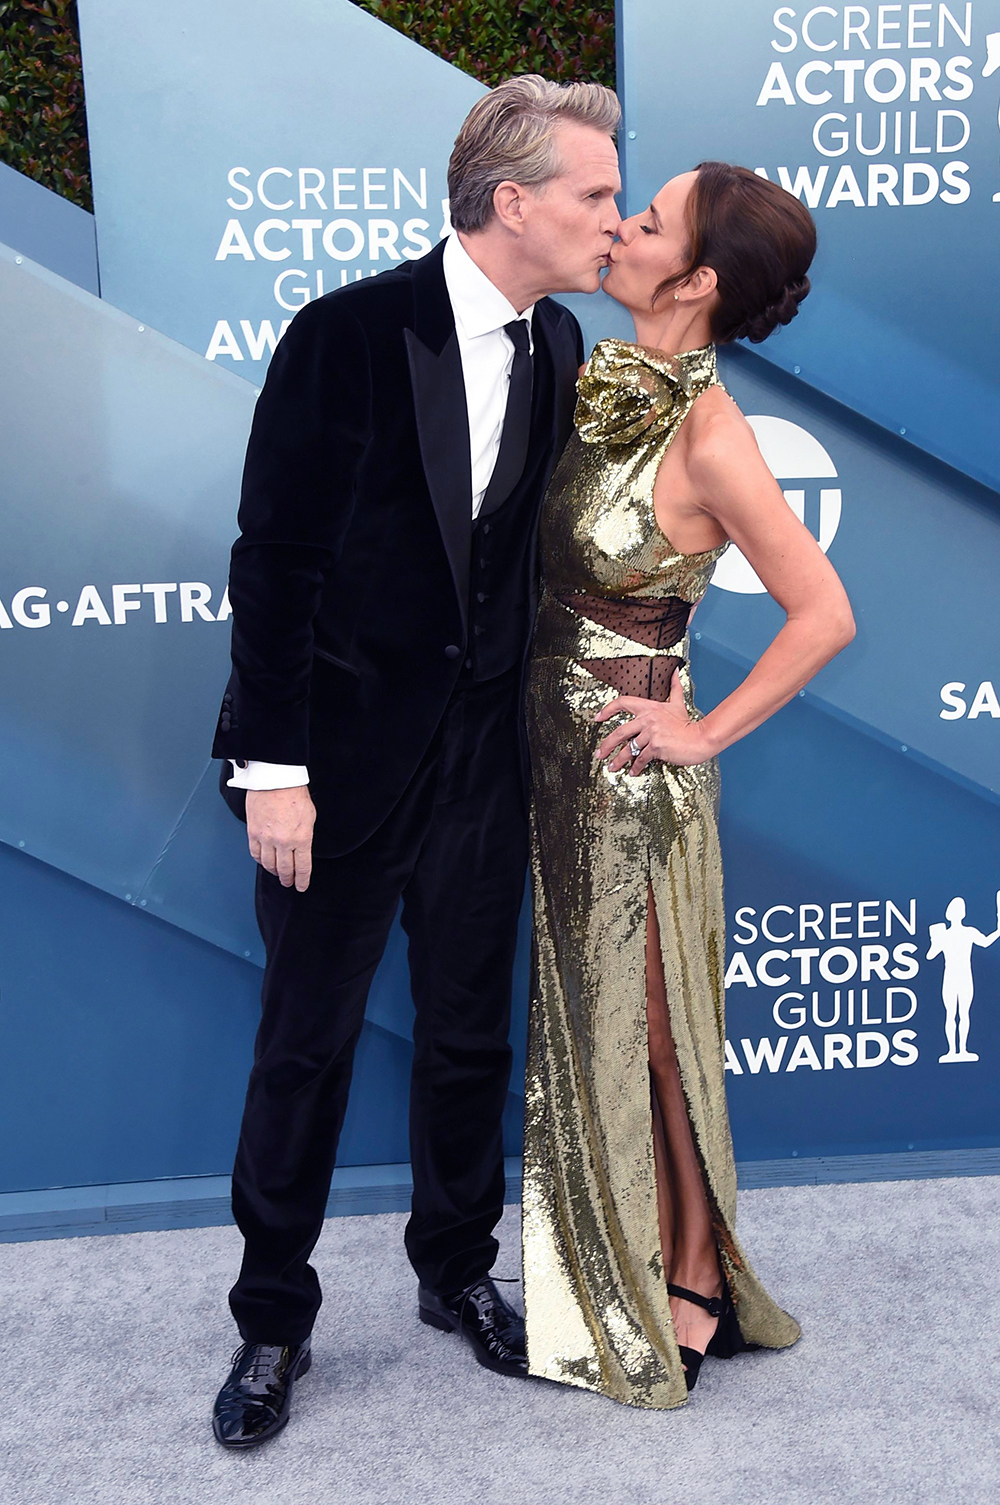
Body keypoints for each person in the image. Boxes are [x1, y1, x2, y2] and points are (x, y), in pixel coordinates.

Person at [208, 75, 622, 1448]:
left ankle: (457, 1271)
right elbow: (275, 564)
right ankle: (273, 1316)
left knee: (464, 1036)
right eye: (596, 196)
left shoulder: (559, 342)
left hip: (485, 765)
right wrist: (274, 765)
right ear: (514, 204)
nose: (612, 220)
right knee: (306, 1048)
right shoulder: (350, 335)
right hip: (333, 763)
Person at [522, 161, 856, 1409]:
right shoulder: (602, 384)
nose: (618, 228)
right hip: (546, 754)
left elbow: (822, 614)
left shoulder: (714, 436)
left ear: (696, 280)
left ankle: (697, 1269)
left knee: (656, 1037)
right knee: (599, 1029)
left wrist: (701, 729)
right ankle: (632, 1255)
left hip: (623, 776)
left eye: (646, 222)